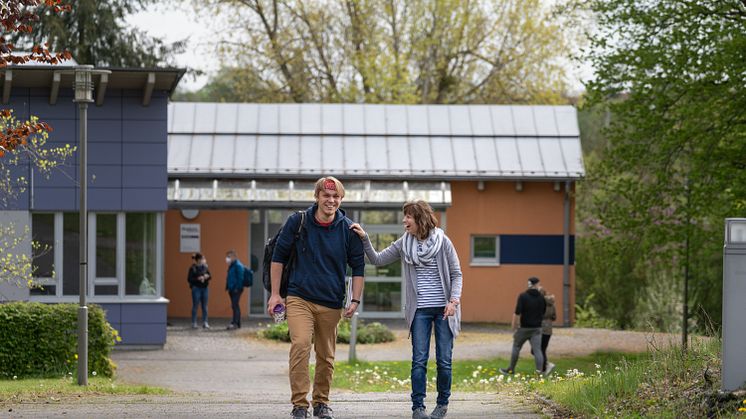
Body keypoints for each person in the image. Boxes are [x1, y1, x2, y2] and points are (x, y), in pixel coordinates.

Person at [350, 200, 463, 419]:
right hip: (419, 310)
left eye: (408, 217)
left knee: (444, 361)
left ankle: (442, 404)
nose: (404, 221)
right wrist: (364, 238)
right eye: (404, 217)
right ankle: (417, 408)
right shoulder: (405, 243)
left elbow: (457, 274)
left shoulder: (443, 242)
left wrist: (453, 300)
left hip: (444, 310)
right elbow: (377, 259)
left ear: (420, 218)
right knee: (419, 360)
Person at [268, 176, 365, 419]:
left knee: (326, 355)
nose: (331, 200)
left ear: (341, 200)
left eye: (336, 197)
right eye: (326, 195)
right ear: (317, 197)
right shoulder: (298, 222)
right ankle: (300, 405)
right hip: (299, 297)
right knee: (300, 345)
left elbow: (358, 267)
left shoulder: (348, 230)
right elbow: (278, 257)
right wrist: (276, 294)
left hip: (332, 302)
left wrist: (355, 300)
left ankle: (321, 402)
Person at [500, 277, 546, 376]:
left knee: (516, 347)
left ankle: (511, 370)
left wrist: (514, 326)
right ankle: (539, 373)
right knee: (538, 350)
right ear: (536, 285)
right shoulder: (541, 298)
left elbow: (517, 313)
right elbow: (543, 312)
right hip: (537, 328)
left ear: (529, 284)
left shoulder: (523, 296)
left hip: (524, 328)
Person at [187, 253, 211, 329]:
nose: (204, 260)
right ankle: (194, 323)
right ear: (198, 260)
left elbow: (210, 276)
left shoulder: (205, 267)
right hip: (196, 288)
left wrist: (206, 276)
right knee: (195, 306)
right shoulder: (193, 268)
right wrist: (198, 278)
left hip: (205, 288)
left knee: (205, 306)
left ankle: (205, 322)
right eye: (202, 259)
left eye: (204, 259)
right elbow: (189, 279)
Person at [225, 250, 246, 330]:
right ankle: (237, 323)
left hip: (236, 289)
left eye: (229, 257)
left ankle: (235, 323)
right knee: (234, 306)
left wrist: (237, 288)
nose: (227, 258)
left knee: (235, 306)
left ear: (234, 257)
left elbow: (240, 278)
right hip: (232, 289)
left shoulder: (238, 265)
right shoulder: (232, 265)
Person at [540, 287, 557, 375]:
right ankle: (544, 369)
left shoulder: (540, 303)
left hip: (541, 328)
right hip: (549, 329)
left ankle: (546, 365)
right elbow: (554, 317)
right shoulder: (552, 304)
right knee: (543, 349)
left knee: (537, 350)